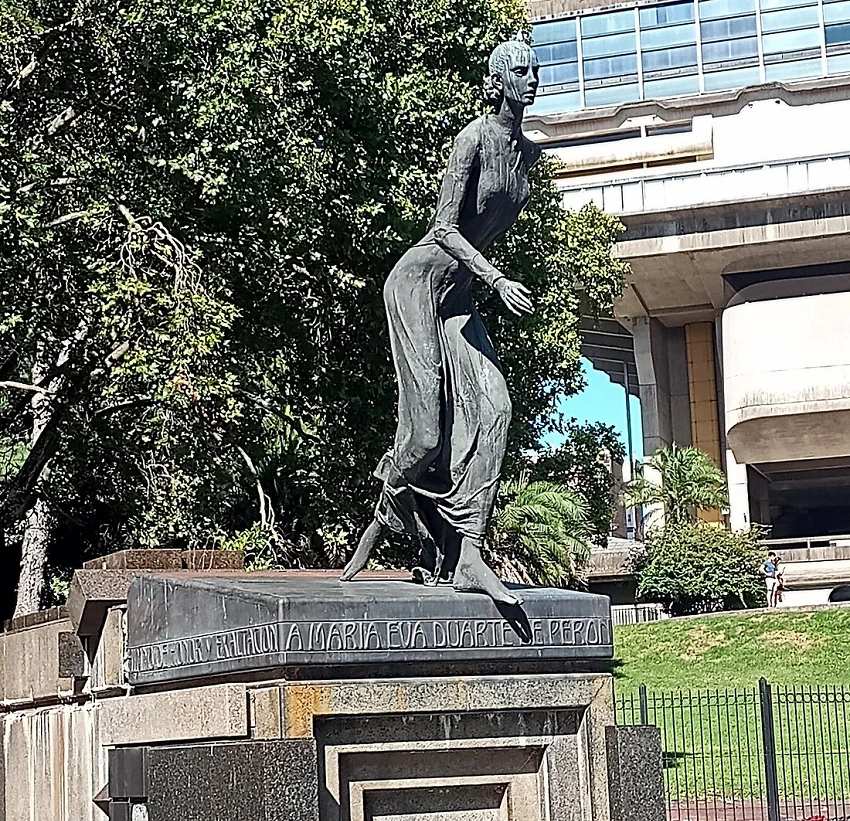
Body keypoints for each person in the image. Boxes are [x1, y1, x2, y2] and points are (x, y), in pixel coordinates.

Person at [341, 40, 541, 606]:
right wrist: (497, 279)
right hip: (418, 285)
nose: (529, 80)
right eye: (518, 72)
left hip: (459, 296)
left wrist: (484, 282)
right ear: (497, 80)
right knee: (426, 434)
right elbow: (446, 230)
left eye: (533, 71)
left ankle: (470, 553)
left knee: (496, 407)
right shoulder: (471, 140)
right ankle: (390, 504)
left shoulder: (526, 153)